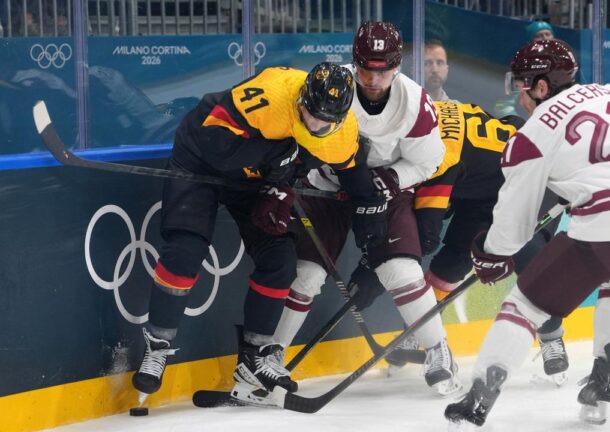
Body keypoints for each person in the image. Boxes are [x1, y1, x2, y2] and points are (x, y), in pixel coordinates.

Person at [445, 39, 610, 429]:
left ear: (542, 87)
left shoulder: (532, 135)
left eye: (525, 86)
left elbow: (513, 226)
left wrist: (489, 253)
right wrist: (577, 184)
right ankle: (604, 377)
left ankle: (480, 395)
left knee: (526, 304)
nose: (522, 95)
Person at [131, 62, 387, 406]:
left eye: (327, 121)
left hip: (258, 175)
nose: (317, 124)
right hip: (199, 161)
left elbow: (353, 175)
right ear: (301, 100)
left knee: (280, 260)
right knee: (185, 249)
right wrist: (283, 165)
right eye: (311, 114)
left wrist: (371, 223)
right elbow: (215, 145)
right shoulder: (271, 97)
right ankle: (158, 345)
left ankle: (253, 357)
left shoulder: (342, 133)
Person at [265, 20, 462, 397]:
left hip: (384, 189)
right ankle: (271, 355)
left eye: (383, 71)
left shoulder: (416, 103)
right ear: (355, 63)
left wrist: (389, 179)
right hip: (327, 187)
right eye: (366, 70)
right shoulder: (331, 85)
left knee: (401, 271)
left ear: (397, 66)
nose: (373, 79)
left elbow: (429, 162)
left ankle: (438, 349)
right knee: (305, 274)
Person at [347, 101, 570, 383]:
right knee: (451, 262)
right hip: (487, 190)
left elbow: (425, 237)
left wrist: (373, 271)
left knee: (531, 260)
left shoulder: (436, 154)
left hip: (531, 184)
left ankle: (551, 338)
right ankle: (418, 329)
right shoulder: (427, 111)